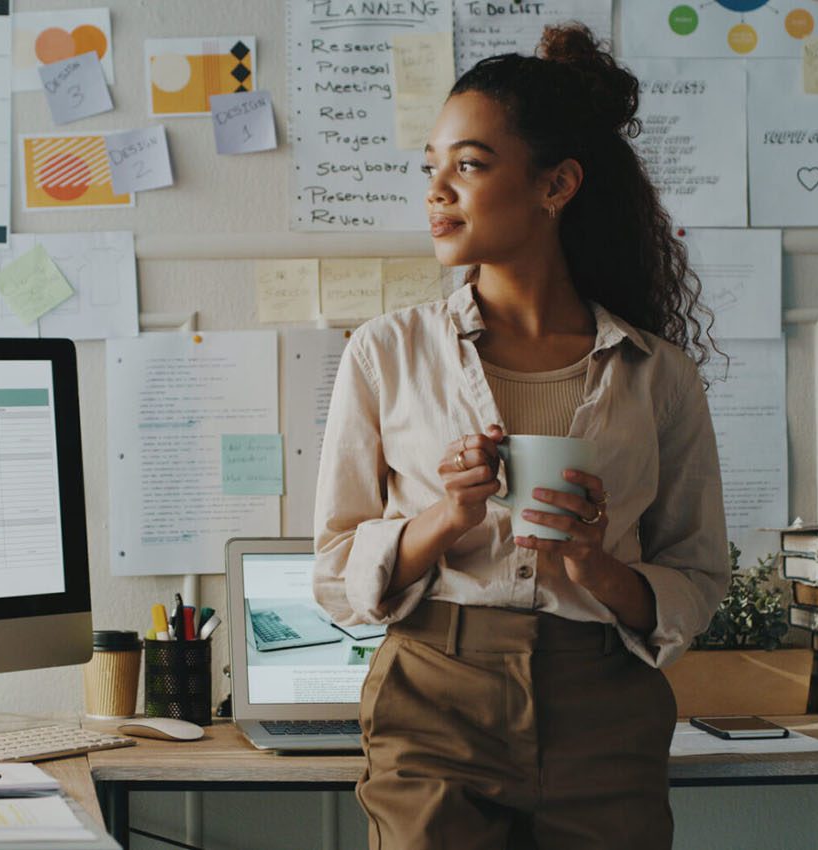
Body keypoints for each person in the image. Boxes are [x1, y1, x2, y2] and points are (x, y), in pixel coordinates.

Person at [312, 23, 731, 850]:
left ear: (557, 184)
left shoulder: (658, 374)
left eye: (467, 165)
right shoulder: (385, 352)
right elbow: (334, 570)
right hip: (434, 697)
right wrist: (444, 516)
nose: (437, 191)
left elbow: (696, 576)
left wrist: (596, 565)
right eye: (430, 167)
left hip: (605, 708)